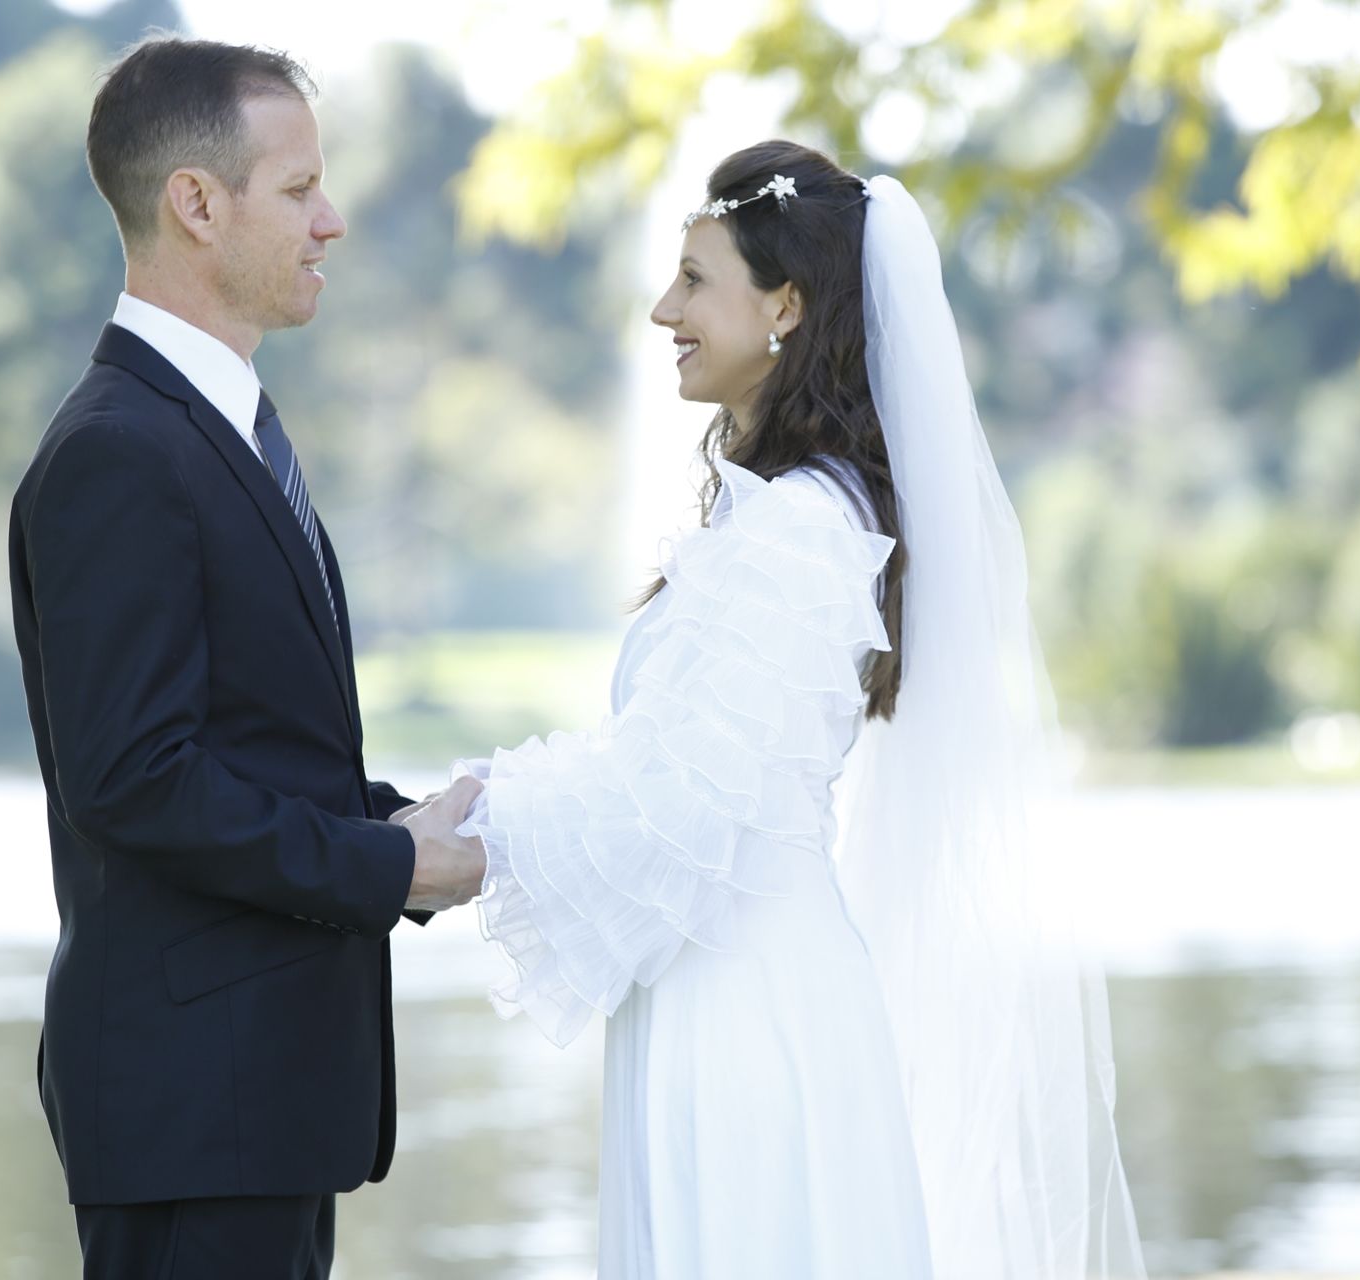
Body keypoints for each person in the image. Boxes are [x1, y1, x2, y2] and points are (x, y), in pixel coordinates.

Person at [452, 140, 1147, 1277]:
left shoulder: (805, 531)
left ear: (785, 304)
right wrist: (481, 806)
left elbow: (679, 807)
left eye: (693, 279)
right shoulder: (772, 520)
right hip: (703, 994)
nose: (661, 306)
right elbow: (676, 765)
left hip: (748, 1022)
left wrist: (472, 835)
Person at [5, 37, 485, 1280]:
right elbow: (140, 780)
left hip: (249, 1104)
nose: (330, 221)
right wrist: (389, 863)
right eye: (298, 190)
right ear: (197, 204)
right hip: (191, 1107)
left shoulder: (222, 428)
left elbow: (246, 749)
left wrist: (403, 822)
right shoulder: (121, 450)